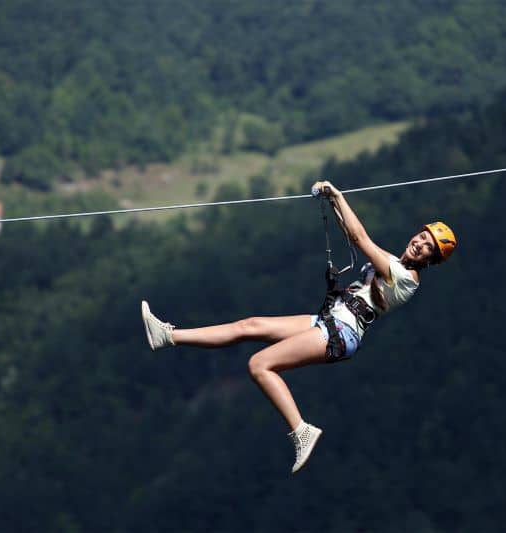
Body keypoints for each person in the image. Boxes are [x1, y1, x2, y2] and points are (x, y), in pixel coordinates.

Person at [141, 180, 457, 474]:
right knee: (249, 325)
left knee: (260, 364)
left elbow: (360, 238)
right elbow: (352, 235)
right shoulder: (395, 263)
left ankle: (301, 430)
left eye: (428, 246)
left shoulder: (405, 278)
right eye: (422, 236)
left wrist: (338, 195)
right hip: (330, 321)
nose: (420, 243)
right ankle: (167, 335)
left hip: (340, 333)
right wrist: (331, 202)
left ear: (431, 260)